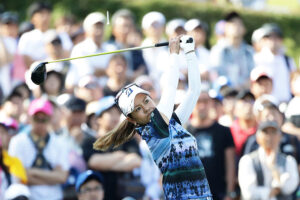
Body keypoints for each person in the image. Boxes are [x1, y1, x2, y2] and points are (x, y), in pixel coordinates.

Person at [93, 36, 213, 199]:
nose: (147, 108)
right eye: (138, 109)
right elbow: (170, 88)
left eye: (146, 100)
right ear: (132, 119)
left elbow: (194, 91)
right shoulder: (153, 131)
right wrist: (174, 54)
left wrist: (190, 53)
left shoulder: (171, 125)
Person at [81, 96, 142, 200]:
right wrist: (121, 156)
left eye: (117, 113)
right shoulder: (89, 141)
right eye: (110, 113)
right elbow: (94, 162)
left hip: (124, 195)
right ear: (98, 118)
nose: (115, 117)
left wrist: (106, 163)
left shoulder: (127, 139)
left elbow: (135, 161)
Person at [8, 98, 69, 200]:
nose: (40, 123)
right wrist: (52, 176)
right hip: (27, 196)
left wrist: (32, 172)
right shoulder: (17, 141)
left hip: (54, 197)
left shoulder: (59, 143)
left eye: (44, 119)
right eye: (37, 118)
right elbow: (18, 177)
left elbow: (62, 177)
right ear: (30, 118)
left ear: (50, 118)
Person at [187, 91, 236, 200]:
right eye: (198, 101)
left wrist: (229, 193)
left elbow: (230, 164)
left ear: (211, 104)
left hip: (219, 193)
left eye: (205, 101)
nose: (202, 106)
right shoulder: (183, 132)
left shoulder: (224, 131)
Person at [238, 120, 299, 200]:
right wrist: (273, 191)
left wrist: (273, 167)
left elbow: (289, 188)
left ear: (280, 137)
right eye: (265, 132)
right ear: (258, 138)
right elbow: (249, 193)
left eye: (273, 132)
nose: (269, 137)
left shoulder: (289, 161)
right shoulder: (247, 161)